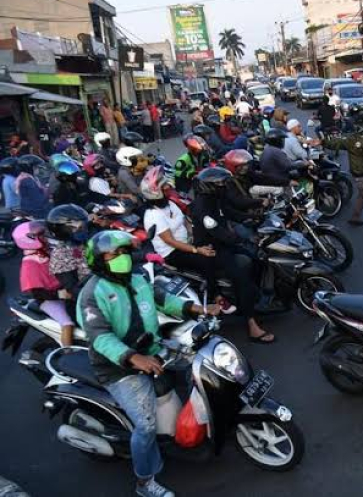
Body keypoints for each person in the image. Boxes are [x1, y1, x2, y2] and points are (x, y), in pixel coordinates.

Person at [77, 230, 220, 497]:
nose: (122, 258)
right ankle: (144, 483)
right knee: (145, 425)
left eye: (124, 252)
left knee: (197, 372)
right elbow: (100, 336)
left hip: (153, 349)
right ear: (98, 260)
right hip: (117, 367)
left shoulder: (138, 277)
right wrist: (133, 357)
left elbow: (164, 300)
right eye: (114, 254)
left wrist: (199, 309)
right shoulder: (92, 293)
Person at [190, 168, 274, 342]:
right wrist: (240, 240)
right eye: (220, 183)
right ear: (210, 186)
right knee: (241, 278)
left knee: (258, 257)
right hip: (212, 248)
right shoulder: (201, 205)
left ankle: (258, 296)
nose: (223, 185)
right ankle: (252, 326)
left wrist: (249, 218)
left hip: (224, 242)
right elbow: (216, 230)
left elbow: (228, 212)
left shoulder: (216, 198)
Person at [140, 167, 234, 315]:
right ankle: (216, 296)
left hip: (186, 243)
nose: (169, 189)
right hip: (172, 252)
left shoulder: (170, 203)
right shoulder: (153, 215)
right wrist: (197, 249)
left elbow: (186, 222)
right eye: (164, 188)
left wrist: (195, 238)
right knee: (206, 258)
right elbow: (170, 241)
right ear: (155, 194)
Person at [322, 107, 363, 229]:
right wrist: (322, 141)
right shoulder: (353, 139)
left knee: (362, 196)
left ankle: (354, 217)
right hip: (359, 173)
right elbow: (335, 143)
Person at [14, 221, 74, 347]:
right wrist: (59, 294)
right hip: (48, 300)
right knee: (67, 324)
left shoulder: (45, 252)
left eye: (44, 234)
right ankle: (67, 352)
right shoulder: (30, 262)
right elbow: (34, 291)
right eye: (41, 236)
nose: (45, 237)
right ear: (29, 240)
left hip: (66, 292)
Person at [46, 204, 92, 334]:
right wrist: (101, 299)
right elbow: (73, 289)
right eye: (77, 227)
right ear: (62, 230)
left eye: (83, 225)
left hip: (103, 290)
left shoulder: (84, 243)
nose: (83, 229)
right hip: (85, 305)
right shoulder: (61, 254)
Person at [220, 149, 270, 242]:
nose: (245, 167)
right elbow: (238, 201)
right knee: (253, 242)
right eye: (241, 166)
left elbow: (259, 177)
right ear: (233, 167)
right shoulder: (228, 182)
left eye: (245, 165)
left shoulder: (242, 175)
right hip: (236, 219)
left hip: (247, 214)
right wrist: (260, 201)